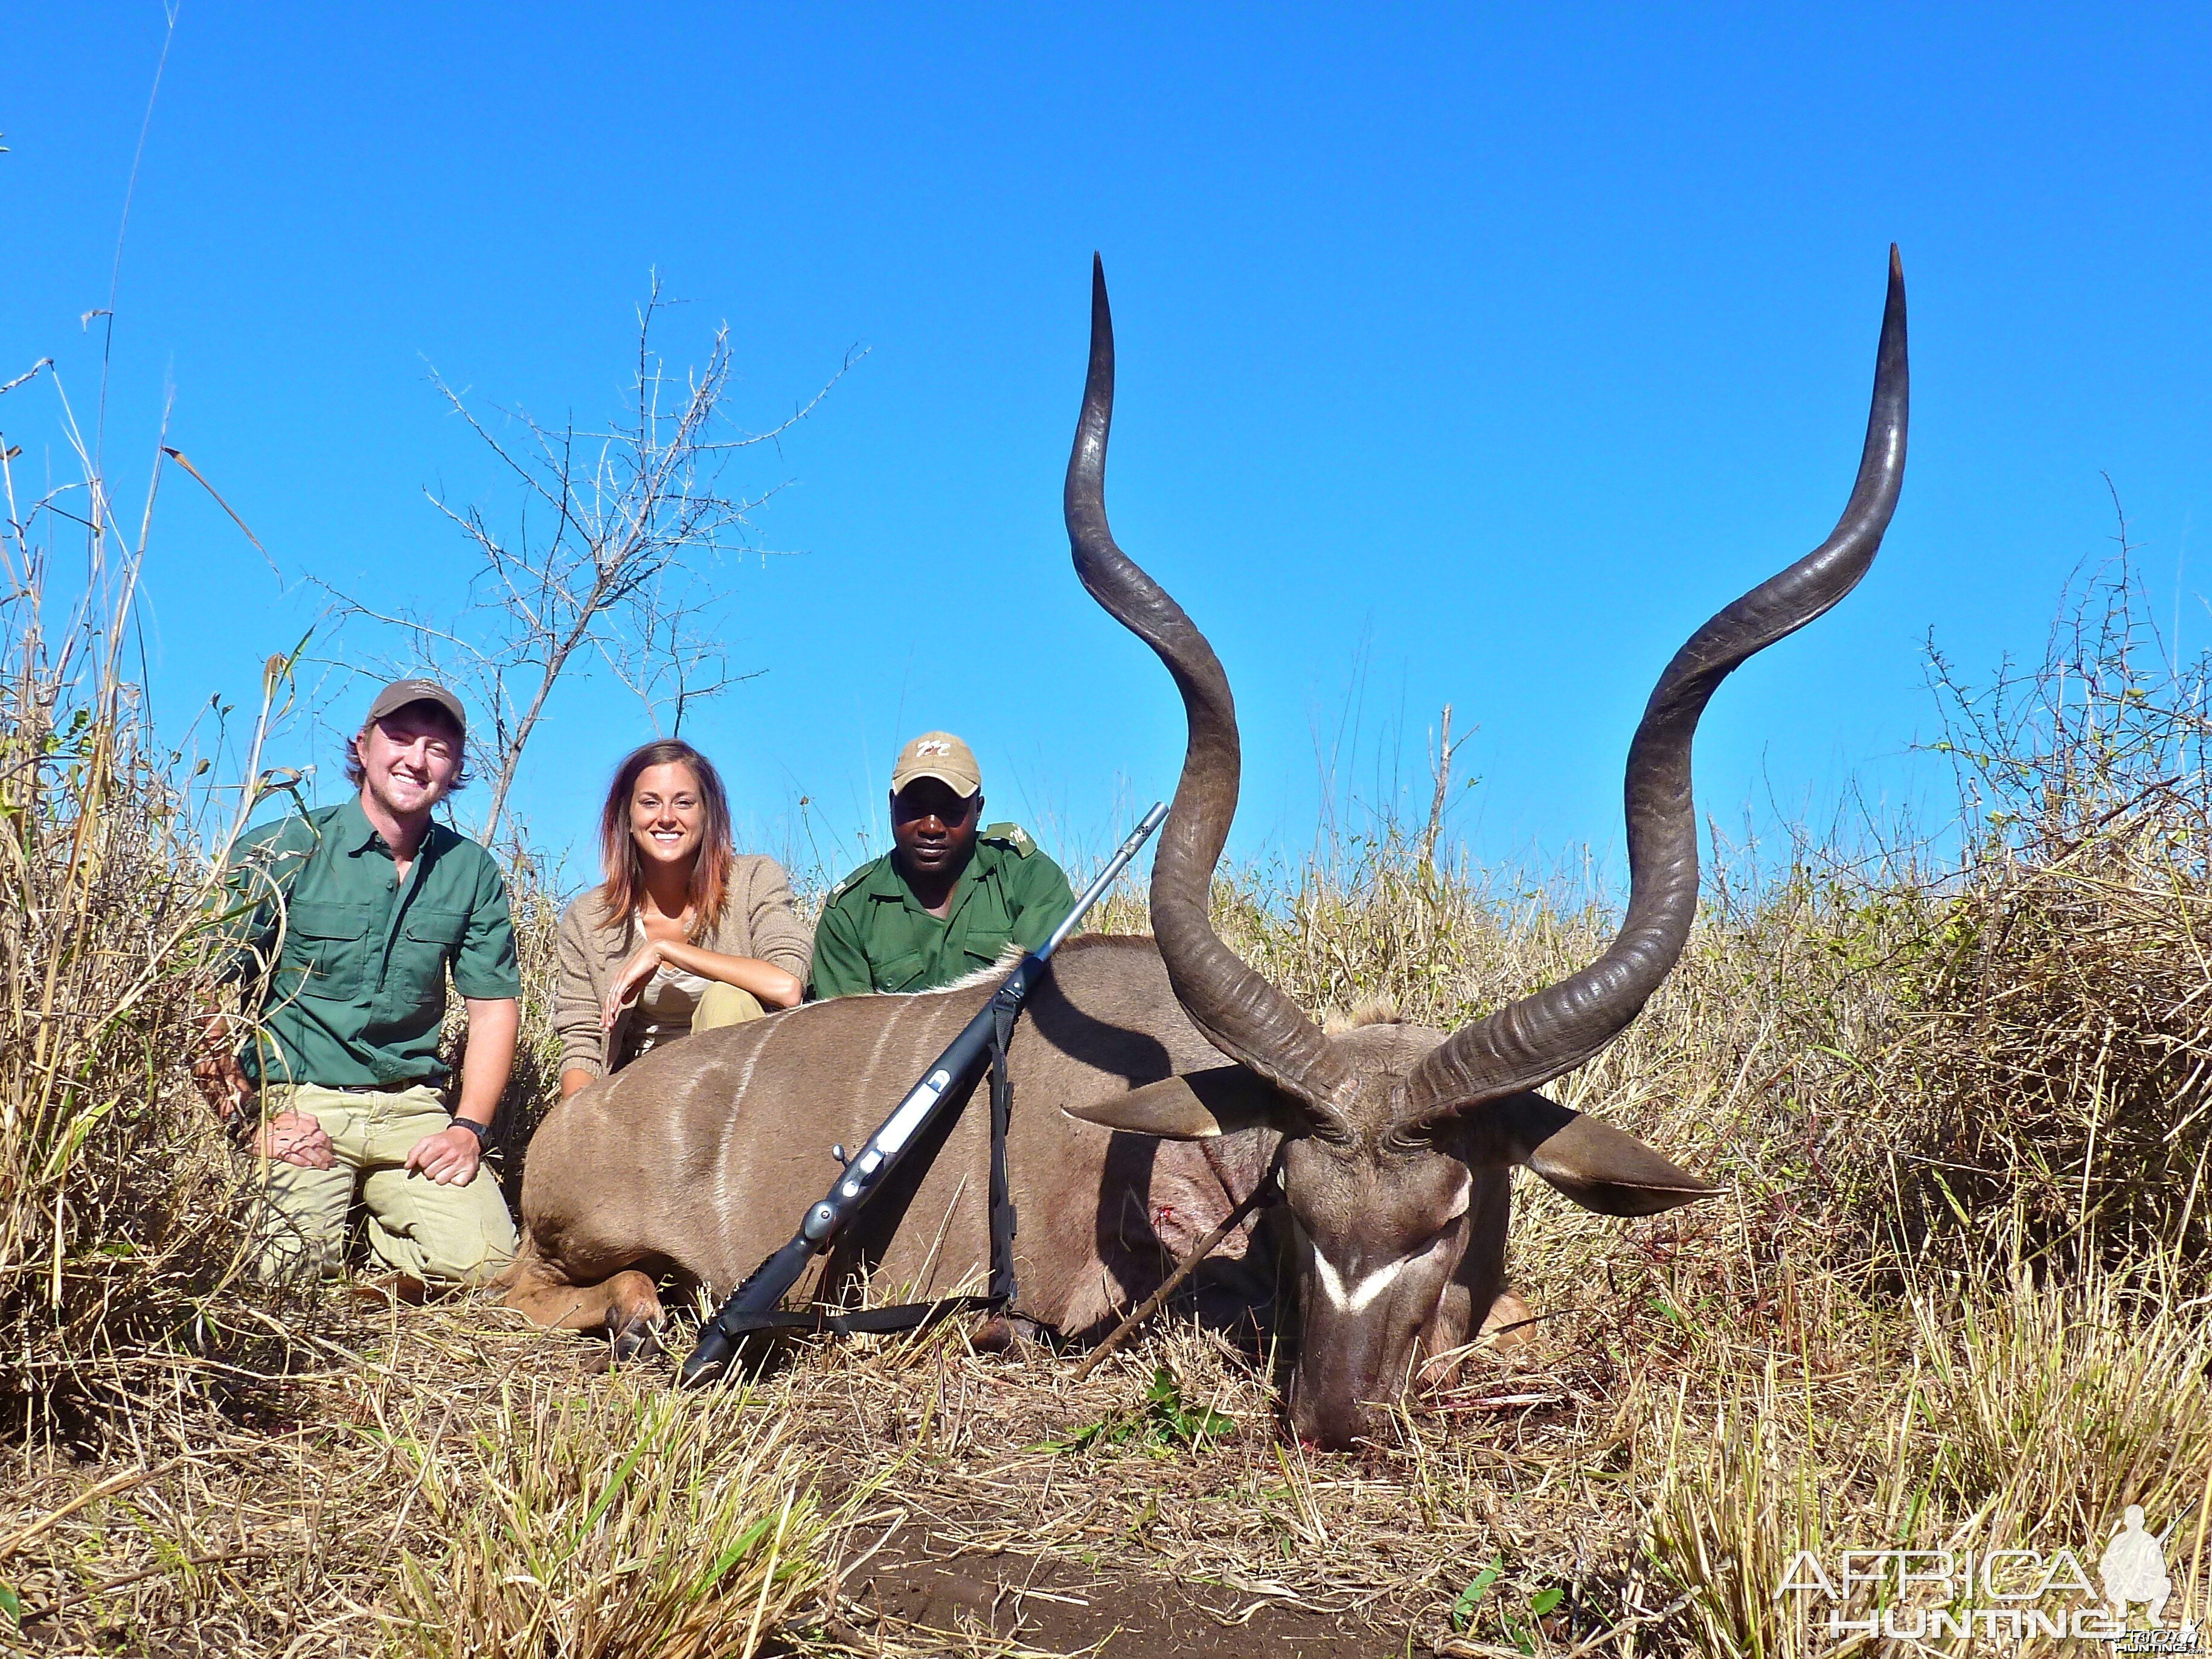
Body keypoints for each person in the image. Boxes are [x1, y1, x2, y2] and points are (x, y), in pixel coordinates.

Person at [194, 677, 522, 1287]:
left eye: (438, 748)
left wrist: (467, 1129)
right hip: (300, 1099)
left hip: (410, 1107)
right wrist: (247, 1119)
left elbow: (494, 1009)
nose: (415, 759)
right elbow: (197, 991)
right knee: (280, 1275)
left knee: (488, 1265)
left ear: (455, 769)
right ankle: (336, 1220)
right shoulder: (283, 846)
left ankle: (377, 1238)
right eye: (399, 738)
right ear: (364, 745)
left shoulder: (471, 869)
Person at [554, 739, 809, 1099]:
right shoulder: (587, 917)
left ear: (707, 816)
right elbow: (583, 1043)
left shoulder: (754, 880)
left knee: (728, 999)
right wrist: (580, 1125)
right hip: (640, 1098)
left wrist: (667, 950)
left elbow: (787, 987)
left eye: (684, 802)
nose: (667, 817)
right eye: (649, 802)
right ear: (626, 818)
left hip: (745, 1100)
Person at [809, 731, 1075, 1000]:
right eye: (915, 808)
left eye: (950, 809)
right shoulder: (849, 910)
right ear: (892, 805)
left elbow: (1054, 1000)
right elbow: (847, 1031)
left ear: (978, 810)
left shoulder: (1030, 877)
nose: (931, 827)